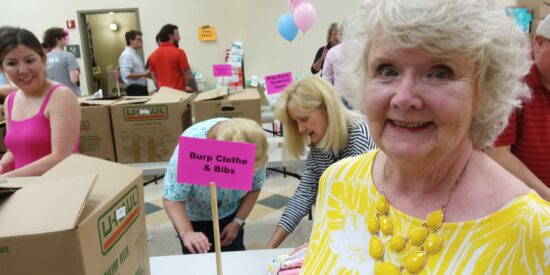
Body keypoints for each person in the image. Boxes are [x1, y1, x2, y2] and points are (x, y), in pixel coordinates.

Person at [300, 1, 550, 274]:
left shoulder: (535, 231)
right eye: (387, 70)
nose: (405, 98)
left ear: (484, 91)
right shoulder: (337, 183)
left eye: (440, 72)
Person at [266, 76, 376, 249]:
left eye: (304, 119)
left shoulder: (360, 136)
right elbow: (304, 194)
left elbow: (358, 207)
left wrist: (319, 244)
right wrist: (271, 245)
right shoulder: (321, 143)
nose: (301, 129)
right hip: (345, 238)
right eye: (296, 122)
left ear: (326, 108)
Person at [163, 117, 268, 254]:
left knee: (233, 257)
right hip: (193, 218)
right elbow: (173, 198)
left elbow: (254, 188)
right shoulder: (193, 145)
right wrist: (187, 233)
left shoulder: (254, 145)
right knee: (198, 261)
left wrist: (237, 222)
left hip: (231, 213)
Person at [0, 27, 80, 177]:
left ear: (43, 59)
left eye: (30, 60)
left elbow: (61, 157)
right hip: (20, 189)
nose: (23, 70)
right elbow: (14, 151)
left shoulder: (60, 97)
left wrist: (6, 179)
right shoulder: (10, 101)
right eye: (12, 63)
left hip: (57, 188)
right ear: (3, 68)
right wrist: (3, 165)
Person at [486, 16, 550, 201]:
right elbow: (497, 154)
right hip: (521, 202)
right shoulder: (510, 79)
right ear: (538, 43)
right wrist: (545, 194)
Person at [147, 24, 197, 92]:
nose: (179, 37)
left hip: (163, 95)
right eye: (177, 34)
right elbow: (188, 76)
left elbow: (154, 79)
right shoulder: (179, 53)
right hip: (179, 95)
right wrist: (195, 91)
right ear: (170, 36)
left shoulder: (151, 57)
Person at [43, 27, 81, 96]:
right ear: (57, 39)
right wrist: (77, 73)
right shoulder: (68, 56)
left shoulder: (44, 59)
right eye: (64, 37)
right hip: (71, 96)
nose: (65, 39)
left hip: (53, 97)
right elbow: (74, 80)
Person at [322, 23, 351, 109]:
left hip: (341, 96)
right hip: (357, 96)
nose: (336, 37)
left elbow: (326, 79)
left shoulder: (332, 52)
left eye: (337, 34)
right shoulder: (358, 48)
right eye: (333, 34)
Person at [119, 30, 149, 96]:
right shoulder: (127, 55)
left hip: (141, 89)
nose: (142, 42)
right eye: (139, 39)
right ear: (131, 40)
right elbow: (126, 75)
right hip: (135, 90)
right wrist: (143, 74)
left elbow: (139, 73)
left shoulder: (135, 54)